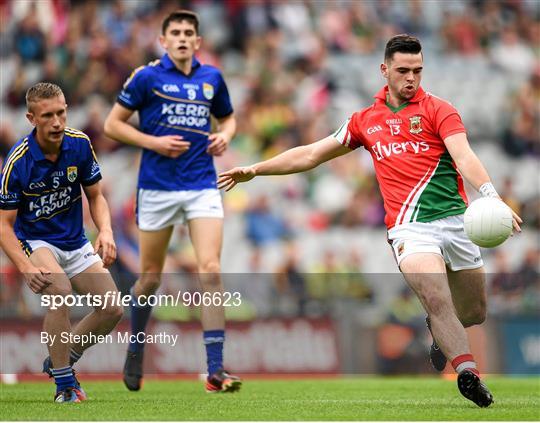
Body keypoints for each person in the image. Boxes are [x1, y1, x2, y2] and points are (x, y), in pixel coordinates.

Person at [218, 34, 523, 407]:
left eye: (417, 70)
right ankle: (467, 372)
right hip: (409, 228)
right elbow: (311, 154)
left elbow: (464, 156)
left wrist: (492, 197)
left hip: (457, 222)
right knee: (435, 296)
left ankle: (438, 332)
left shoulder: (440, 110)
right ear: (384, 70)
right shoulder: (365, 120)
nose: (411, 78)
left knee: (474, 312)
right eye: (403, 71)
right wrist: (257, 169)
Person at [103, 10, 241, 393]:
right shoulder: (146, 77)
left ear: (198, 42)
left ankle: (215, 371)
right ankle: (135, 345)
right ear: (163, 41)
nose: (182, 38)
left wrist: (225, 136)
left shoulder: (211, 77)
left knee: (210, 270)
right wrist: (153, 142)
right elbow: (112, 124)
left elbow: (227, 119)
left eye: (188, 33)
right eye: (175, 33)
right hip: (157, 187)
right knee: (149, 279)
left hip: (201, 184)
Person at [0, 82, 122, 403]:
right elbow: (3, 225)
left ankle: (60, 360)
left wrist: (106, 231)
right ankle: (65, 385)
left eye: (62, 113)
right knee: (60, 291)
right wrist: (25, 266)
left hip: (75, 240)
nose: (57, 122)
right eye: (48, 115)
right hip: (38, 241)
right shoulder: (18, 162)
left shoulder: (80, 145)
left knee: (112, 308)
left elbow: (96, 196)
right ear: (31, 118)